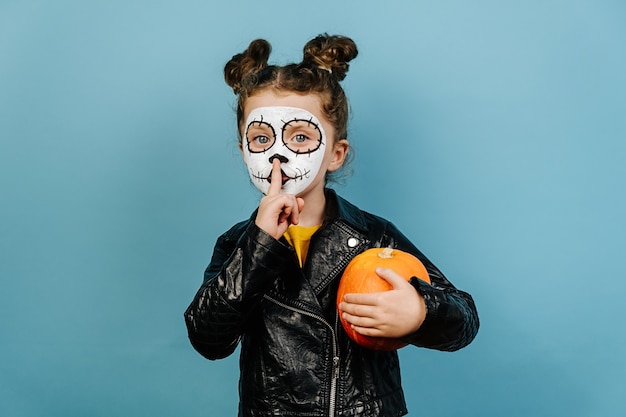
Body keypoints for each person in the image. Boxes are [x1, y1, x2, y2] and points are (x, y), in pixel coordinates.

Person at [184, 34, 479, 417]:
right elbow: (208, 338)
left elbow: (464, 319)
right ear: (243, 151)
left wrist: (421, 312)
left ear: (336, 154)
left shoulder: (375, 235)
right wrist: (258, 245)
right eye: (261, 138)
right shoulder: (237, 243)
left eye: (301, 137)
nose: (279, 155)